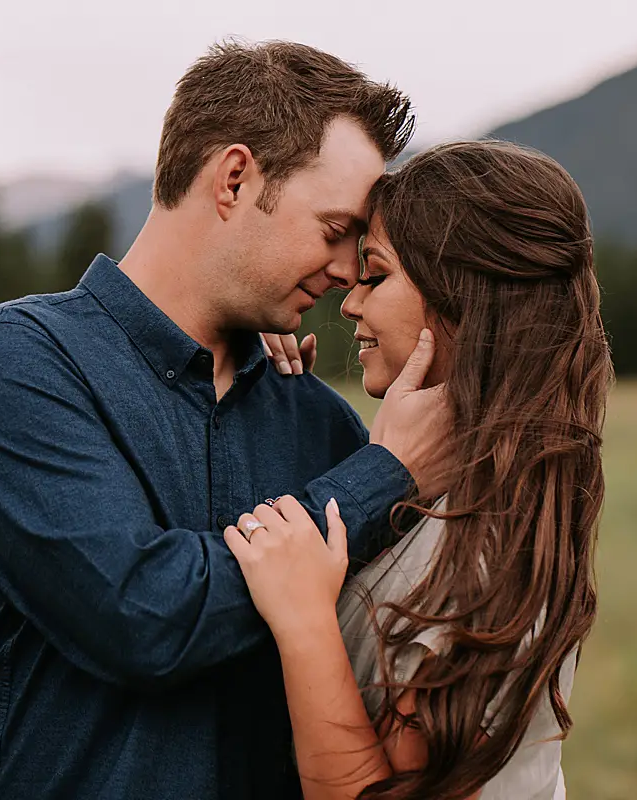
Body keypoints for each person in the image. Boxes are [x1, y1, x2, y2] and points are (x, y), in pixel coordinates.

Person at [0, 41, 450, 799]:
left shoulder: (322, 426)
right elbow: (140, 614)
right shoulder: (15, 365)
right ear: (234, 179)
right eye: (334, 228)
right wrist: (382, 476)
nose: (346, 270)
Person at [225, 140, 612, 800]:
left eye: (374, 275)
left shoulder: (482, 546)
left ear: (461, 300)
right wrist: (276, 401)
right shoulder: (475, 491)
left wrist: (306, 620)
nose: (348, 303)